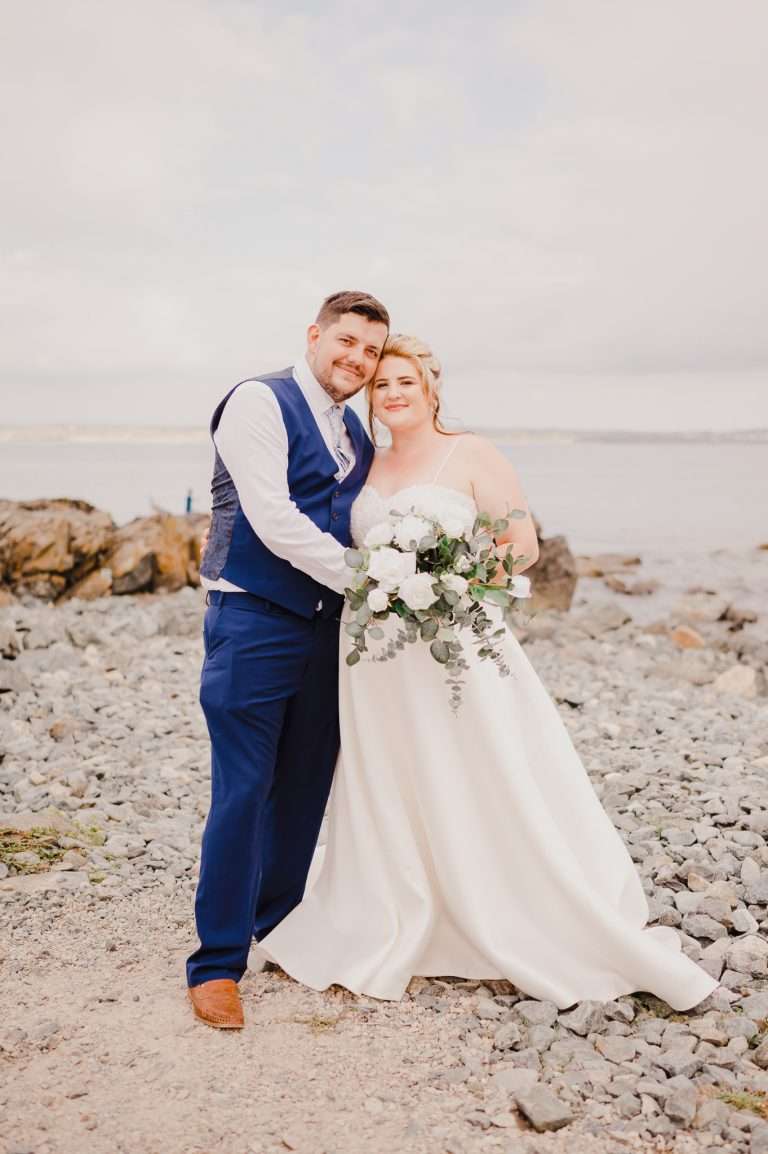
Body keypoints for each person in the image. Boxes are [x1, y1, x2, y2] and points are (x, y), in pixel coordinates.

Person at [255, 333, 720, 1012]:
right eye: (381, 385)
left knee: (480, 761)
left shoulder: (469, 452)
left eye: (404, 382)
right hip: (374, 651)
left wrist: (454, 583)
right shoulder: (363, 463)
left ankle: (505, 901)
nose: (391, 394)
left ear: (431, 386)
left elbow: (521, 546)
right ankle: (400, 897)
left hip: (455, 642)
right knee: (392, 768)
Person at [185, 290, 390, 1028]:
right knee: (243, 790)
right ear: (315, 335)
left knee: (304, 789)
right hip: (253, 621)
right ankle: (216, 963)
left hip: (329, 630)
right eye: (347, 342)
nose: (357, 361)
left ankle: (278, 927)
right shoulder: (257, 402)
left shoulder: (356, 438)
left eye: (370, 351)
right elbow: (273, 519)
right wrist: (373, 581)